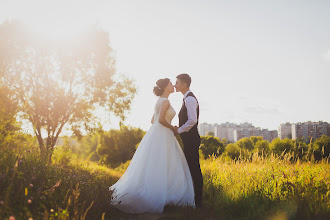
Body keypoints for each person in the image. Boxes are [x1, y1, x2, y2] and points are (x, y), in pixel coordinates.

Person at [109, 78, 195, 214]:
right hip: (164, 134)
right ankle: (164, 194)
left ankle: (160, 192)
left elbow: (152, 120)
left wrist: (164, 125)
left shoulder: (159, 100)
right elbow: (160, 120)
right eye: (170, 84)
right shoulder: (165, 101)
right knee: (165, 163)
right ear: (166, 87)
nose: (173, 85)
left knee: (156, 163)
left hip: (156, 133)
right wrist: (173, 128)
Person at [173, 73, 203, 208]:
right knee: (191, 169)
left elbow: (192, 120)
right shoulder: (186, 98)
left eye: (177, 83)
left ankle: (198, 202)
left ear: (184, 84)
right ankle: (193, 199)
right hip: (189, 140)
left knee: (194, 169)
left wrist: (178, 130)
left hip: (191, 140)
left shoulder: (190, 99)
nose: (175, 85)